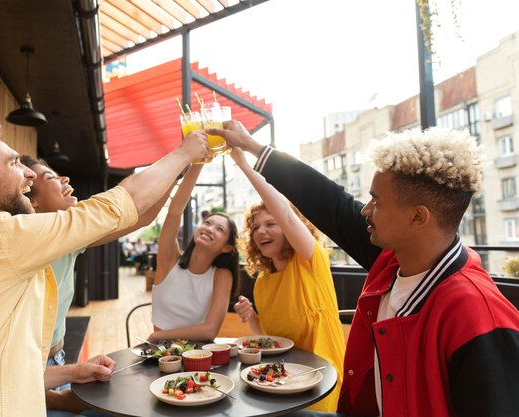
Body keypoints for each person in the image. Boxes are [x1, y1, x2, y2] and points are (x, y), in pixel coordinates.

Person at [0, 121, 208, 417]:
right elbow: (119, 206)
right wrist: (185, 153)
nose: (28, 174)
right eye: (14, 164)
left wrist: (70, 371)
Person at [212, 121, 519, 417]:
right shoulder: (390, 259)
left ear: (418, 217)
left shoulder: (478, 313)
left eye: (376, 201)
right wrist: (251, 146)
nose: (364, 210)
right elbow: (329, 201)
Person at [20, 156, 173, 416]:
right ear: (32, 201)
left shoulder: (69, 238)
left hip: (55, 364)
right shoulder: (28, 244)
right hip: (30, 374)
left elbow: (144, 216)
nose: (65, 179)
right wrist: (62, 398)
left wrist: (175, 175)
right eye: (50, 177)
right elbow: (15, 376)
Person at [230, 146, 345, 412]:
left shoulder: (309, 260)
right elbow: (269, 336)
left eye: (271, 223)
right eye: (255, 227)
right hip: (280, 380)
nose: (261, 232)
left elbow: (286, 212)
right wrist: (251, 317)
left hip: (322, 380)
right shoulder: (262, 282)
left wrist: (245, 166)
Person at [149, 164, 240, 342]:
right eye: (207, 223)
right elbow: (175, 212)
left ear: (226, 248)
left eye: (219, 229)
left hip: (199, 355)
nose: (210, 228)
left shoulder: (222, 275)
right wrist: (199, 162)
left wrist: (158, 335)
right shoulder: (169, 261)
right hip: (161, 354)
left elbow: (210, 331)